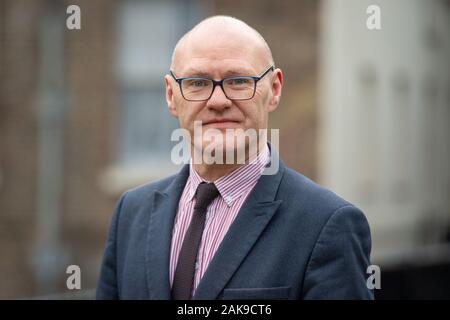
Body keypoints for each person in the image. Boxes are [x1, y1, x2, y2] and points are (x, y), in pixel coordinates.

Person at [96, 15, 373, 300]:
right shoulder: (131, 213)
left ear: (274, 90)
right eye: (197, 83)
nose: (218, 101)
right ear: (170, 94)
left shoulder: (327, 224)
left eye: (239, 81)